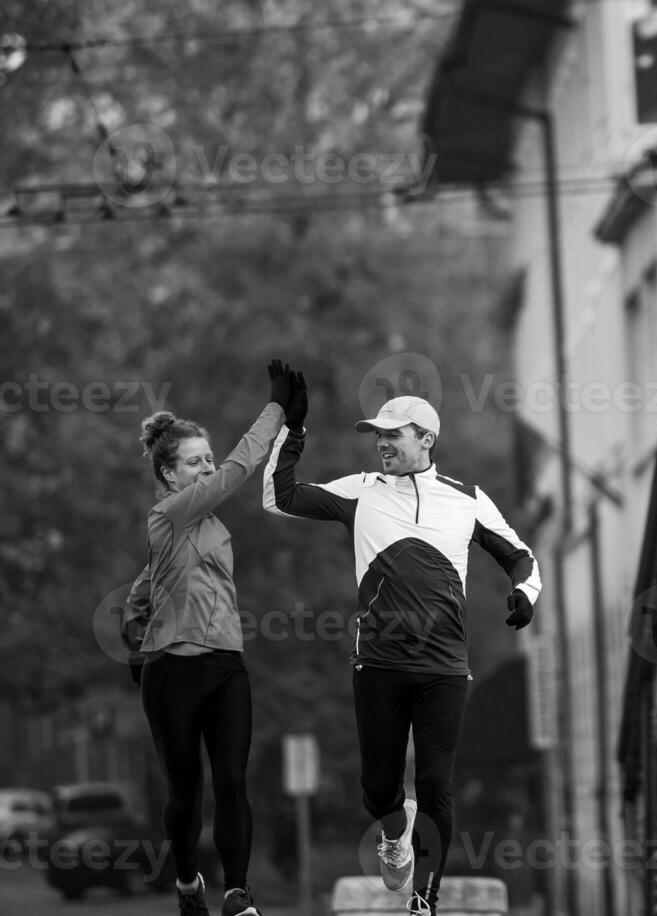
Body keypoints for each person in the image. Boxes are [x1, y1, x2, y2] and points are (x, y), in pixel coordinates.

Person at [261, 381, 540, 916]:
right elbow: (279, 496)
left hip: (444, 668)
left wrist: (525, 596)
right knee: (378, 789)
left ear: (427, 438)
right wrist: (292, 431)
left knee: (438, 783)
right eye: (377, 435)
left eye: (394, 434)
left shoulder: (467, 499)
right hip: (379, 665)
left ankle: (424, 900)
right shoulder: (360, 490)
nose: (382, 443)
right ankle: (395, 830)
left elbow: (521, 556)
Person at [124, 360, 303, 916]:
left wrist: (295, 430)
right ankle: (186, 884)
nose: (207, 469)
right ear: (171, 477)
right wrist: (274, 409)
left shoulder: (212, 529)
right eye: (196, 462)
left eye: (208, 458)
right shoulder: (167, 515)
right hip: (172, 672)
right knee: (186, 794)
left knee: (231, 780)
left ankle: (238, 893)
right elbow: (238, 470)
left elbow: (148, 582)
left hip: (226, 665)